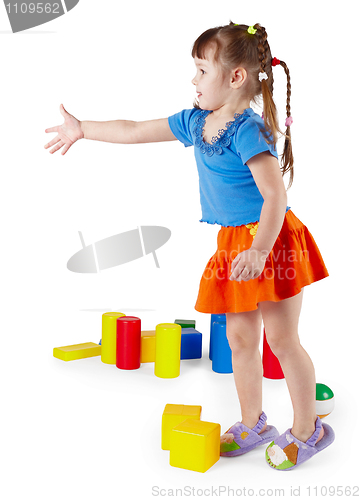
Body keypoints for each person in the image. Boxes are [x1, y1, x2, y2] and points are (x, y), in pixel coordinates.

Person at [45, 22, 334, 470]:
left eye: (201, 70)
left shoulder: (248, 131)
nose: (193, 80)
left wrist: (258, 251)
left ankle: (307, 429)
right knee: (240, 337)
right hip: (233, 243)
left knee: (280, 338)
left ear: (235, 77)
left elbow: (276, 196)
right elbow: (136, 129)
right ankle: (254, 422)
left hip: (270, 241)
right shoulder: (195, 122)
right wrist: (83, 128)